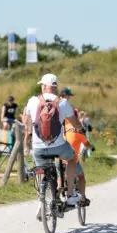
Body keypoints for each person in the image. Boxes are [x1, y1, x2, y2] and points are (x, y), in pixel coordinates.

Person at [23, 73, 88, 206]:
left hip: (38, 147)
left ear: (44, 86)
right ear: (55, 87)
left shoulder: (33, 101)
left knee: (41, 169)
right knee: (71, 159)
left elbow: (26, 121)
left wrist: (29, 138)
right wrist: (81, 129)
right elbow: (75, 124)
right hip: (58, 146)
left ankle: (42, 202)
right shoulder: (63, 103)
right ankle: (70, 194)